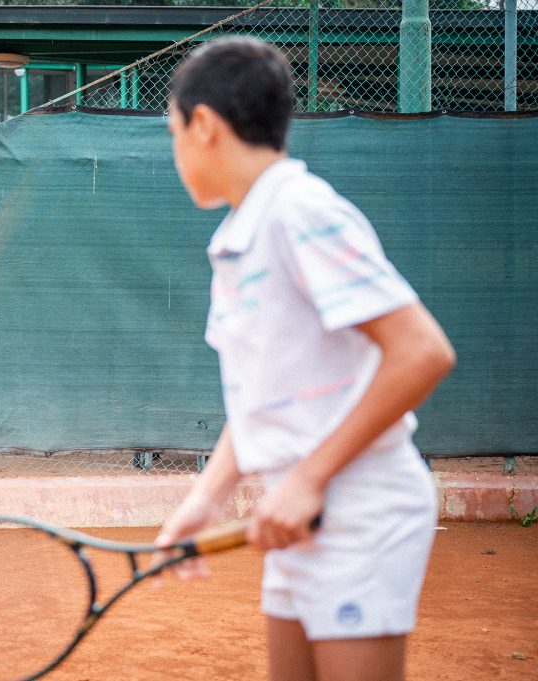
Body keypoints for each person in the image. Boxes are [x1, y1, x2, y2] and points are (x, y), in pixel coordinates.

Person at [155, 38, 456, 681]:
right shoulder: (239, 236)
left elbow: (422, 352)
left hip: (358, 509)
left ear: (203, 125)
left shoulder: (299, 210)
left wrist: (310, 477)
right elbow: (261, 397)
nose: (174, 149)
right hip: (295, 515)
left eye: (173, 130)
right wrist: (207, 498)